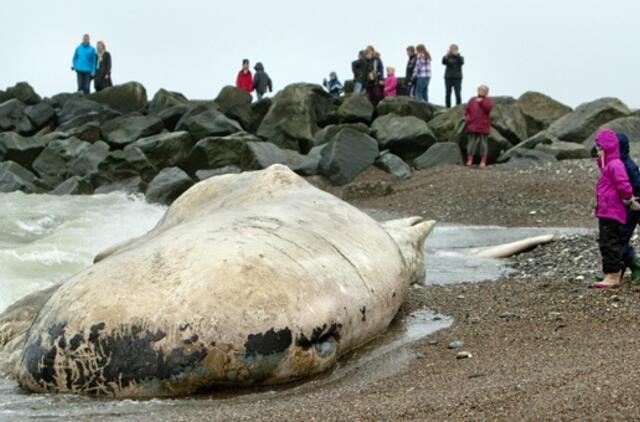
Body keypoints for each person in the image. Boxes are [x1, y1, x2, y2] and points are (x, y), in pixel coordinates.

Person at [591, 129, 635, 288]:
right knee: (605, 242)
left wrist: (629, 197)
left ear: (608, 147)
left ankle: (613, 275)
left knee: (610, 243)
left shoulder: (616, 165)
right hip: (606, 210)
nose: (597, 149)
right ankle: (610, 272)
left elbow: (624, 184)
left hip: (613, 211)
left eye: (599, 146)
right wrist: (599, 157)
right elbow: (604, 168)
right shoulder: (609, 164)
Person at [616, 132, 640, 282]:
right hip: (621, 208)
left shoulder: (628, 165)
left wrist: (633, 202)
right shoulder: (618, 164)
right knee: (616, 239)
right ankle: (618, 270)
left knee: (619, 239)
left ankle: (635, 265)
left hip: (631, 208)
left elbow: (637, 186)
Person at [464, 85, 493, 168]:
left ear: (487, 92)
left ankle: (483, 161)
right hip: (472, 124)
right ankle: (469, 160)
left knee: (483, 144)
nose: (481, 91)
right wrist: (467, 118)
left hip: (483, 125)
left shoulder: (488, 101)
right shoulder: (472, 100)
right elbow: (467, 110)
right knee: (471, 144)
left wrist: (481, 102)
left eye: (484, 90)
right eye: (480, 89)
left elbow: (488, 109)